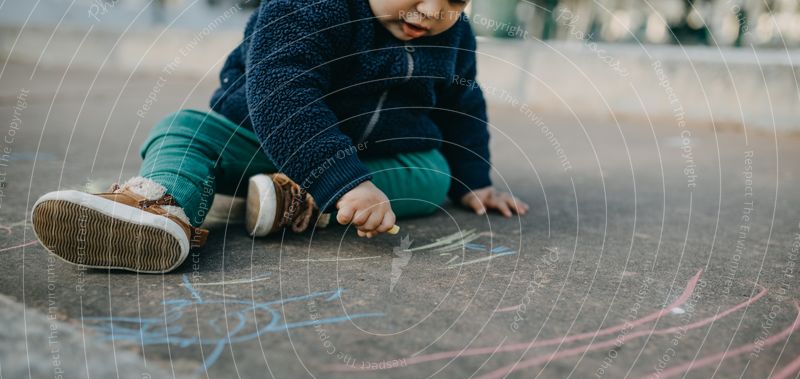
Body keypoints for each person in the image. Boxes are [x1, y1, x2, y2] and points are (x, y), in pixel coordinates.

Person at [32, 0, 528, 273]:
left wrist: (473, 180)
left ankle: (297, 199)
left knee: (432, 175)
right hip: (263, 137)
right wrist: (340, 177)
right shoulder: (310, 6)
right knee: (184, 129)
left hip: (376, 162)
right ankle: (163, 208)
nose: (429, 10)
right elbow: (284, 93)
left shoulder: (455, 35)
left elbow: (463, 104)